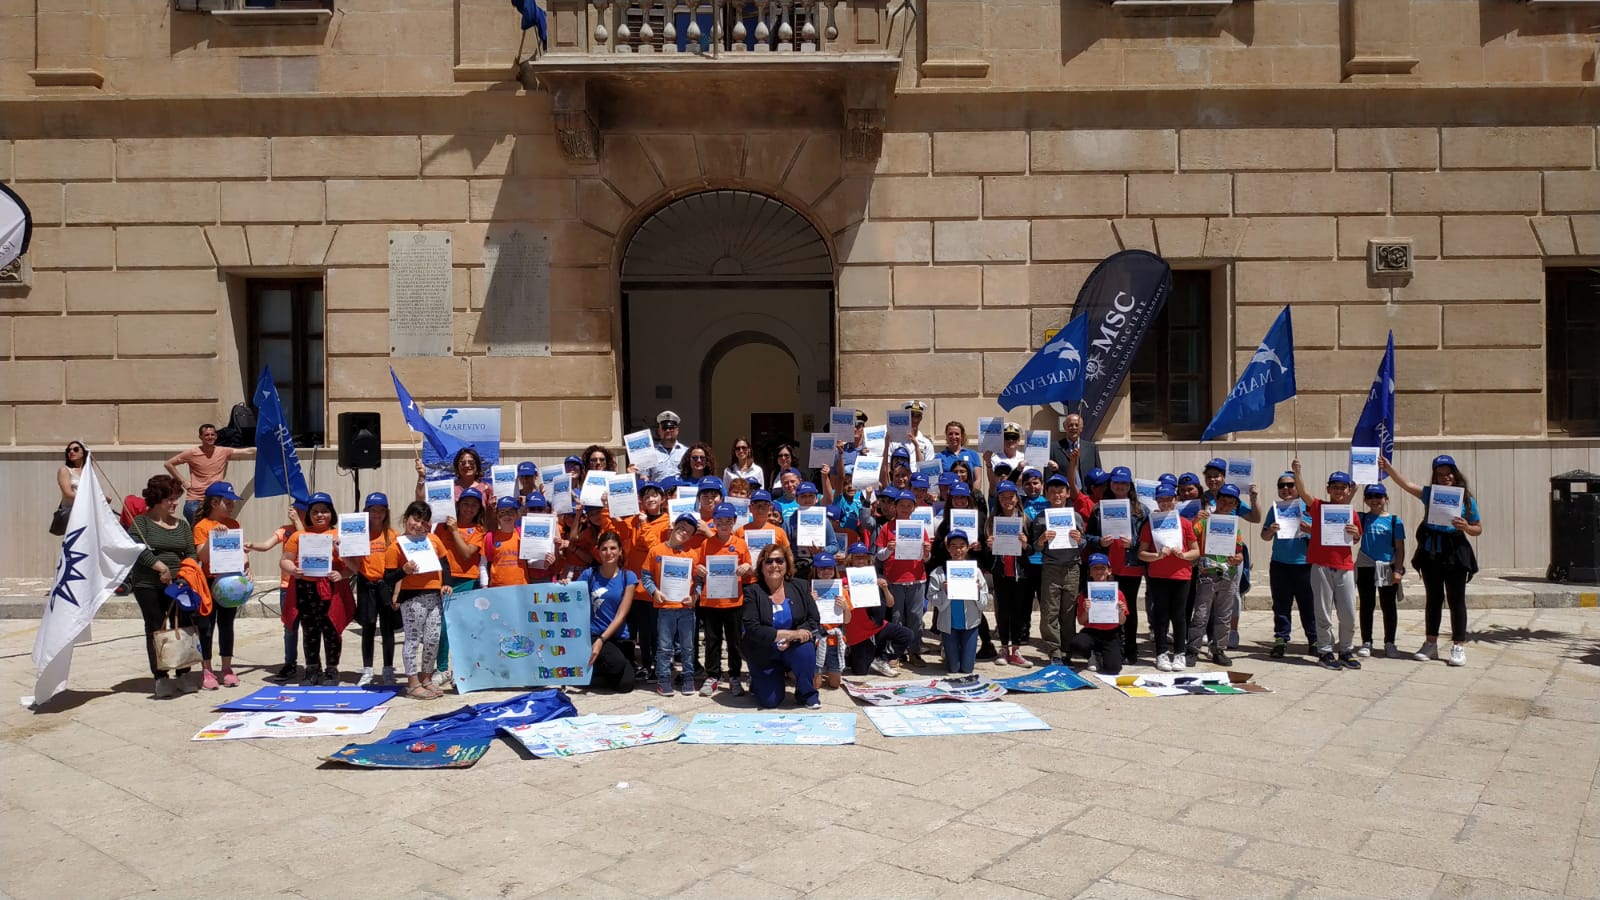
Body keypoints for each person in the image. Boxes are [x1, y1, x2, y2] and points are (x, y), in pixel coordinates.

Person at [1381, 454, 1481, 666]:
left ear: (1455, 474)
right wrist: (1389, 469)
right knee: (1433, 599)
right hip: (1431, 553)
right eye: (1440, 474)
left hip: (1455, 553)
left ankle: (1458, 646)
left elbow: (1478, 528)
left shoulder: (1467, 499)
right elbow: (1406, 484)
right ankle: (1430, 643)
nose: (1445, 477)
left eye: (1448, 473)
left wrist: (1465, 527)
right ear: (1435, 476)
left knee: (1456, 600)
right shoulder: (1429, 494)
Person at [127, 475, 198, 698]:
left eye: (176, 498)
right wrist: (160, 567)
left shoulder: (183, 525)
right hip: (148, 584)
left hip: (179, 584)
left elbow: (191, 553)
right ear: (157, 499)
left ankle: (183, 672)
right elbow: (136, 549)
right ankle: (161, 677)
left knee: (184, 626)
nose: (175, 503)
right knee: (156, 628)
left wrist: (185, 573)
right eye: (170, 499)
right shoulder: (141, 522)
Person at [1291, 461, 1363, 671]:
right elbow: (1303, 493)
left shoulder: (1352, 513)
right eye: (1335, 487)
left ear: (1348, 490)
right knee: (1322, 612)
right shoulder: (1319, 507)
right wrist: (1297, 473)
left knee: (1348, 613)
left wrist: (1355, 533)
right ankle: (1325, 651)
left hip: (1344, 566)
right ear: (1328, 489)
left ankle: (1346, 650)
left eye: (1343, 487)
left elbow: (1357, 537)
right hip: (1321, 566)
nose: (1339, 490)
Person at [280, 493, 354, 685]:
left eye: (324, 511)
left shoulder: (341, 535)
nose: (320, 515)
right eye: (315, 512)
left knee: (331, 629)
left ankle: (332, 669)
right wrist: (294, 570)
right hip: (305, 587)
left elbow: (355, 567)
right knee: (309, 629)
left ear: (332, 513)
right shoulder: (299, 536)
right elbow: (284, 560)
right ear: (309, 515)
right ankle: (312, 669)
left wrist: (342, 572)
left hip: (332, 587)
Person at [382, 501, 453, 700]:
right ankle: (412, 683)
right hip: (412, 599)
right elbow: (387, 578)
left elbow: (445, 564)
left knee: (432, 639)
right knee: (412, 640)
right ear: (406, 519)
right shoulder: (396, 546)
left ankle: (426, 678)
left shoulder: (433, 540)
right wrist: (403, 571)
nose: (419, 525)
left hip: (435, 597)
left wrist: (446, 583)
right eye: (415, 519)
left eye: (424, 521)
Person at [740, 544, 822, 710]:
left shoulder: (800, 586)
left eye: (779, 560)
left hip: (793, 646)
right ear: (761, 566)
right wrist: (788, 635)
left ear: (787, 564)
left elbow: (813, 619)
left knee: (806, 649)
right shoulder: (752, 591)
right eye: (769, 561)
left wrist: (793, 639)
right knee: (769, 702)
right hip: (764, 649)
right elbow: (752, 627)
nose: (774, 565)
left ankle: (807, 694)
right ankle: (757, 680)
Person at [1026, 472, 1092, 666]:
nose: (1057, 495)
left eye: (1060, 491)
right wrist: (1041, 540)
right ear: (1046, 494)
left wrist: (1080, 540)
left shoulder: (1076, 516)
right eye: (1052, 491)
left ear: (1067, 493)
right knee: (1050, 612)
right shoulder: (1040, 518)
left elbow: (1083, 543)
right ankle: (1054, 651)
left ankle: (1067, 649)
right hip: (1051, 568)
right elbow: (1034, 547)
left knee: (1069, 611)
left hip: (1072, 568)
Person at [1085, 466, 1146, 665]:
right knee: (1105, 607)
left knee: (1127, 609)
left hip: (1131, 566)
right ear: (1110, 485)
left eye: (1124, 483)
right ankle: (1108, 647)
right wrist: (1100, 541)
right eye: (1116, 482)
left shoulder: (1140, 510)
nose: (1120, 486)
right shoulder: (1098, 508)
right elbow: (1088, 537)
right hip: (1106, 567)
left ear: (1130, 486)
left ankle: (1130, 649)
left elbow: (1147, 539)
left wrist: (1134, 543)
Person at [1138, 483, 1200, 673]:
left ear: (1175, 500)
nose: (1165, 503)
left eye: (1169, 499)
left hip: (1181, 574)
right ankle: (1161, 653)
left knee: (1179, 615)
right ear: (1156, 501)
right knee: (1161, 615)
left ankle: (1180, 653)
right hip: (1158, 574)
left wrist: (1183, 555)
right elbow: (1141, 553)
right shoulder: (1151, 523)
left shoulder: (1186, 523)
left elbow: (1196, 551)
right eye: (1161, 499)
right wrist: (1157, 556)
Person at [694, 503, 754, 696]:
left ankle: (734, 676)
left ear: (734, 522)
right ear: (714, 522)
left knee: (734, 641)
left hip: (733, 601)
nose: (724, 524)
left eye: (728, 521)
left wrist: (745, 568)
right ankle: (712, 675)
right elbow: (699, 567)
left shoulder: (740, 544)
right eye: (720, 521)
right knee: (712, 640)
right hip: (711, 601)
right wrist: (700, 570)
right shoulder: (706, 544)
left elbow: (749, 568)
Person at [191, 482, 246, 690]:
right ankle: (206, 668)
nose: (231, 506)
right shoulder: (202, 526)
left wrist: (246, 563)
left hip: (230, 581)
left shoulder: (234, 524)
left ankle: (227, 667)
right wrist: (216, 537)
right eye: (228, 502)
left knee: (227, 624)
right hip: (208, 580)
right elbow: (202, 556)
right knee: (206, 625)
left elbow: (239, 552)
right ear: (214, 502)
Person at [1260, 471, 1317, 659]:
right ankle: (1281, 640)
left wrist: (1309, 531)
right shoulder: (1275, 508)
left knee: (1308, 605)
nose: (1286, 488)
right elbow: (1264, 536)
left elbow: (1323, 535)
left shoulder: (1309, 507)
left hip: (1304, 565)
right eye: (1281, 485)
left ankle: (1314, 640)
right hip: (1280, 564)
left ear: (1298, 487)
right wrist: (1271, 530)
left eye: (1290, 485)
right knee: (1281, 605)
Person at [1188, 484, 1245, 668]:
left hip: (1228, 574)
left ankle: (1218, 649)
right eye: (1222, 501)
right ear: (1216, 500)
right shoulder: (1204, 521)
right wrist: (1195, 519)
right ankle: (1193, 649)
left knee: (1223, 615)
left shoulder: (1234, 526)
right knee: (1201, 614)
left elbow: (1239, 550)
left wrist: (1239, 557)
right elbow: (1188, 538)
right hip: (1207, 573)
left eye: (1230, 503)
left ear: (1235, 505)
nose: (1225, 505)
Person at [874, 487, 931, 667]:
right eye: (902, 505)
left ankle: (915, 651)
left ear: (913, 508)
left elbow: (926, 558)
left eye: (909, 505)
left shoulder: (919, 528)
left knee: (915, 617)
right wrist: (888, 549)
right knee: (896, 617)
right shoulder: (886, 528)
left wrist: (927, 552)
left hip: (916, 578)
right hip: (895, 580)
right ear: (895, 507)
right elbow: (879, 555)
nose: (905, 509)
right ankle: (896, 652)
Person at [646, 513, 701, 695]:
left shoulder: (692, 555)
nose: (684, 532)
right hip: (665, 608)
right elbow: (646, 576)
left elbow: (698, 581)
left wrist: (695, 596)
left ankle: (688, 677)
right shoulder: (656, 551)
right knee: (664, 647)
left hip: (686, 609)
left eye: (689, 531)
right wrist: (655, 592)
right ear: (673, 526)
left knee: (688, 647)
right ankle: (663, 679)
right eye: (682, 527)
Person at [838, 543, 911, 676]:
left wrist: (885, 588)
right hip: (858, 631)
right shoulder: (843, 582)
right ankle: (852, 655)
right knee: (860, 672)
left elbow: (890, 604)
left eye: (864, 557)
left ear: (869, 560)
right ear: (850, 559)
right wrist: (846, 592)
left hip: (877, 625)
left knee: (906, 634)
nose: (861, 561)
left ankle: (881, 659)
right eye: (857, 557)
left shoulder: (877, 578)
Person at [925, 531, 990, 675]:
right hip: (949, 626)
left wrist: (977, 592)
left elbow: (984, 603)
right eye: (953, 546)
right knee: (953, 669)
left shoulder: (976, 571)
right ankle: (948, 650)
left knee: (967, 669)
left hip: (970, 624)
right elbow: (932, 599)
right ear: (948, 549)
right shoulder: (939, 572)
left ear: (967, 548)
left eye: (961, 546)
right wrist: (945, 592)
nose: (958, 550)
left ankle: (961, 651)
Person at [352, 492, 400, 686]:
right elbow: (353, 562)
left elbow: (398, 566)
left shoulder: (392, 535)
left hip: (385, 585)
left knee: (388, 630)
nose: (377, 514)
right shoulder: (358, 534)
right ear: (366, 511)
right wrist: (342, 548)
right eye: (373, 510)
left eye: (381, 510)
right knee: (368, 627)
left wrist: (396, 591)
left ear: (386, 513)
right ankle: (367, 669)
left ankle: (388, 669)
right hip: (366, 584)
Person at [1354, 483, 1406, 659]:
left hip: (1386, 566)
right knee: (1367, 604)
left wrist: (1398, 570)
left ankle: (1389, 642)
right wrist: (1355, 485)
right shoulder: (1361, 518)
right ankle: (1366, 641)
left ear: (1386, 499)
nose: (1374, 500)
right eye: (1370, 496)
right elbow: (1345, 506)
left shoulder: (1394, 521)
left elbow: (1400, 548)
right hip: (1366, 565)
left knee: (1388, 605)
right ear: (1365, 500)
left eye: (1378, 496)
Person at [582, 531, 637, 693]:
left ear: (620, 551)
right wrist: (565, 584)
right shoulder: (589, 574)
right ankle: (598, 667)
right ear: (598, 552)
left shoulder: (629, 577)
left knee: (626, 685)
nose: (609, 553)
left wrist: (602, 640)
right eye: (604, 549)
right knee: (616, 665)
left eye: (613, 548)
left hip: (617, 636)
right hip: (593, 634)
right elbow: (573, 598)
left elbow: (621, 615)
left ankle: (596, 671)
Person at [986, 480, 1033, 667]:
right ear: (998, 498)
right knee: (1003, 611)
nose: (1008, 500)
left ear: (1017, 498)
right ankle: (1004, 648)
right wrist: (989, 546)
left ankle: (1016, 650)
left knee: (1018, 612)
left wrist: (1024, 544)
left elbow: (1033, 549)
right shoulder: (992, 520)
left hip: (1020, 573)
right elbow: (985, 552)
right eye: (1004, 497)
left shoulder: (1025, 519)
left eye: (1011, 496)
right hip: (1001, 572)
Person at [256, 503, 305, 681]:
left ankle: (314, 665)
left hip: (307, 584)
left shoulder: (312, 531)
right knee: (290, 627)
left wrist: (299, 522)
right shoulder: (284, 530)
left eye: (301, 510)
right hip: (287, 586)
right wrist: (251, 545)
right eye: (295, 510)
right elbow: (266, 544)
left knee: (310, 628)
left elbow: (304, 539)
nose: (296, 513)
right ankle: (290, 663)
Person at [1064, 553, 1127, 675]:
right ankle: (1091, 654)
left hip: (1111, 634)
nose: (1099, 572)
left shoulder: (1117, 593)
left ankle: (1100, 654)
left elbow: (1122, 621)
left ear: (1109, 571)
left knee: (1113, 669)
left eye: (1102, 568)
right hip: (1091, 632)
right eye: (1095, 568)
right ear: (1090, 572)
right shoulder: (1085, 594)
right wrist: (1087, 611)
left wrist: (1121, 611)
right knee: (1077, 644)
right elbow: (1081, 622)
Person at [165, 424, 238, 523]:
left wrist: (264, 447)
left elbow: (248, 451)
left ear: (216, 436)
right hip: (195, 502)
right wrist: (183, 481)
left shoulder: (223, 451)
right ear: (201, 437)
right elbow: (169, 464)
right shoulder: (192, 453)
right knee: (200, 531)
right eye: (207, 435)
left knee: (215, 531)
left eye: (212, 434)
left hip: (214, 501)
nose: (210, 437)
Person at [808, 553, 848, 690]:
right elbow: (804, 618)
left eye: (829, 568)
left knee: (835, 684)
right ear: (815, 570)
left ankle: (827, 671)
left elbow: (847, 620)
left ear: (835, 569)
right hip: (817, 640)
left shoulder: (842, 590)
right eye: (821, 569)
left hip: (834, 641)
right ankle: (794, 672)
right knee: (816, 686)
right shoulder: (809, 591)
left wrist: (845, 607)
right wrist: (810, 602)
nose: (825, 572)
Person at [413, 446, 493, 509]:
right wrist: (422, 476)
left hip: (479, 530)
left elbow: (492, 517)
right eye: (462, 463)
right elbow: (421, 502)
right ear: (457, 467)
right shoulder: (448, 488)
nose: (467, 465)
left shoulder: (487, 489)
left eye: (471, 462)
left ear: (477, 466)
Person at [1048, 412, 1100, 485]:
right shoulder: (1053, 447)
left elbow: (1098, 473)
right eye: (1070, 425)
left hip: (1087, 493)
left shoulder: (1091, 448)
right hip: (1064, 493)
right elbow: (1048, 476)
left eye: (1077, 425)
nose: (1074, 428)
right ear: (1065, 427)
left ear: (1081, 428)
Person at [53, 441, 89, 534]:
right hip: (73, 514)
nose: (71, 452)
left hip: (87, 513)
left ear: (83, 452)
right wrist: (91, 499)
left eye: (76, 449)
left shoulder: (88, 471)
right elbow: (68, 493)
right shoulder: (65, 470)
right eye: (69, 450)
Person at [646, 410, 690, 483]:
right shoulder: (650, 453)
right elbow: (645, 477)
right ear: (659, 431)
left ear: (677, 430)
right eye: (664, 428)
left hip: (679, 492)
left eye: (671, 428)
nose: (668, 430)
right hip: (658, 493)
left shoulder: (687, 452)